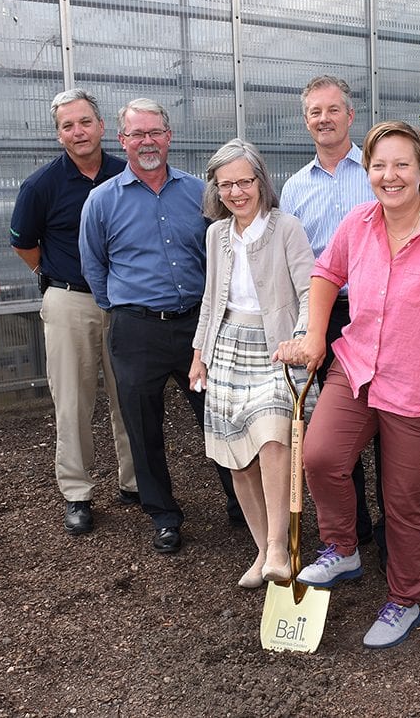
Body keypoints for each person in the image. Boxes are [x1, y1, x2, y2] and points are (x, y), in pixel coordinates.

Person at [276, 121, 420, 649]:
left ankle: (404, 599)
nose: (390, 175)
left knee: (402, 499)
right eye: (379, 165)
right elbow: (324, 273)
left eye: (402, 164)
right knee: (319, 457)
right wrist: (315, 336)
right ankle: (343, 548)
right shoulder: (357, 223)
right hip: (357, 367)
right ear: (368, 173)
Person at [78, 98, 242, 555]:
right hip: (136, 331)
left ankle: (240, 505)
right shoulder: (102, 201)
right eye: (137, 134)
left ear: (169, 137)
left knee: (219, 417)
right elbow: (95, 265)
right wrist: (126, 310)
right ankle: (164, 515)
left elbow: (223, 252)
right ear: (122, 140)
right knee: (142, 426)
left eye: (155, 132)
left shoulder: (200, 193)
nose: (147, 142)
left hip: (197, 326)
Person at [189, 139, 316, 589]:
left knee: (272, 440)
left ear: (260, 181)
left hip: (275, 349)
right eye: (226, 185)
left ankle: (280, 546)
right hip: (226, 348)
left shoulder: (286, 228)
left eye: (244, 181)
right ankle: (261, 550)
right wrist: (199, 354)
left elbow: (309, 291)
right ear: (216, 190)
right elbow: (210, 300)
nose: (237, 192)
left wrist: (300, 339)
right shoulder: (215, 235)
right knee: (237, 455)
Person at [9, 88, 136, 535]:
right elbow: (24, 243)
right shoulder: (41, 185)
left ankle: (136, 483)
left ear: (103, 128)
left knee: (131, 396)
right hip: (70, 301)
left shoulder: (128, 174)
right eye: (68, 125)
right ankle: (78, 492)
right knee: (72, 402)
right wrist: (52, 272)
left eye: (85, 122)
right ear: (59, 134)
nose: (78, 132)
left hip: (124, 303)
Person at [279, 75, 385, 560]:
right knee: (330, 423)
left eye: (332, 110)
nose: (324, 119)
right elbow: (297, 261)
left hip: (379, 310)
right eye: (314, 112)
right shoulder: (296, 187)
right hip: (325, 310)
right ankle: (353, 528)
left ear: (351, 116)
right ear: (306, 122)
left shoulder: (379, 173)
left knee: (386, 417)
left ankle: (392, 528)